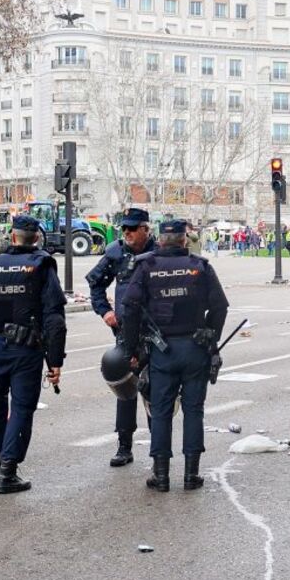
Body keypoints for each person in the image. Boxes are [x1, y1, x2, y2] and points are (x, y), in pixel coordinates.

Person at [0, 215, 67, 493]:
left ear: (12, 235)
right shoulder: (42, 266)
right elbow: (54, 317)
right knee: (21, 408)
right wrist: (55, 361)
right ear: (36, 239)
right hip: (26, 351)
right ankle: (8, 471)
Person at [119, 220, 228, 492]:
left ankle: (161, 476)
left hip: (161, 350)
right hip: (194, 347)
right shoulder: (200, 266)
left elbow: (130, 309)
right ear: (184, 240)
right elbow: (220, 306)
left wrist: (132, 349)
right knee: (193, 411)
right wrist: (210, 335)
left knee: (161, 411)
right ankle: (191, 475)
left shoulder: (147, 266)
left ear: (160, 240)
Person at [85, 208, 156, 468]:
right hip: (126, 333)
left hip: (154, 334)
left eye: (132, 228)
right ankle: (124, 446)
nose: (126, 232)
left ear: (145, 229)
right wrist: (105, 312)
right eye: (124, 228)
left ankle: (158, 448)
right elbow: (95, 282)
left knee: (153, 390)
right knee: (125, 388)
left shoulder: (159, 253)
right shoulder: (117, 253)